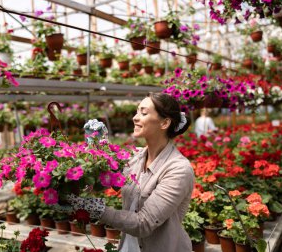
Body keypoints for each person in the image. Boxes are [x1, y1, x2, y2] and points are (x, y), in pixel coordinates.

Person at [67, 92, 195, 252]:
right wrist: (96, 149)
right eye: (137, 111)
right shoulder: (135, 157)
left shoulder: (178, 169)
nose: (135, 117)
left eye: (144, 112)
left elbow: (143, 224)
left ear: (164, 123)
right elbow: (103, 181)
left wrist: (92, 207)